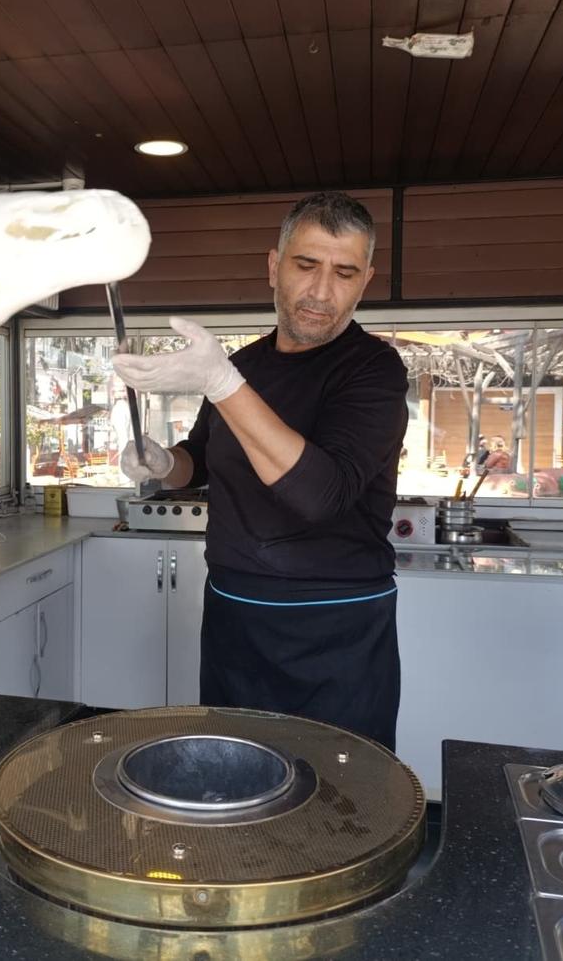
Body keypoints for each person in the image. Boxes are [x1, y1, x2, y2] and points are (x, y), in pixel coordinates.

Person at [112, 192, 409, 750]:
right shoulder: (243, 366)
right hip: (233, 615)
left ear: (365, 280)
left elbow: (321, 495)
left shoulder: (373, 371)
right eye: (305, 265)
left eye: (344, 273)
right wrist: (161, 462)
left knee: (342, 806)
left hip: (336, 626)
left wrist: (222, 384)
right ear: (274, 266)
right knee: (231, 789)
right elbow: (197, 459)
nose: (322, 292)